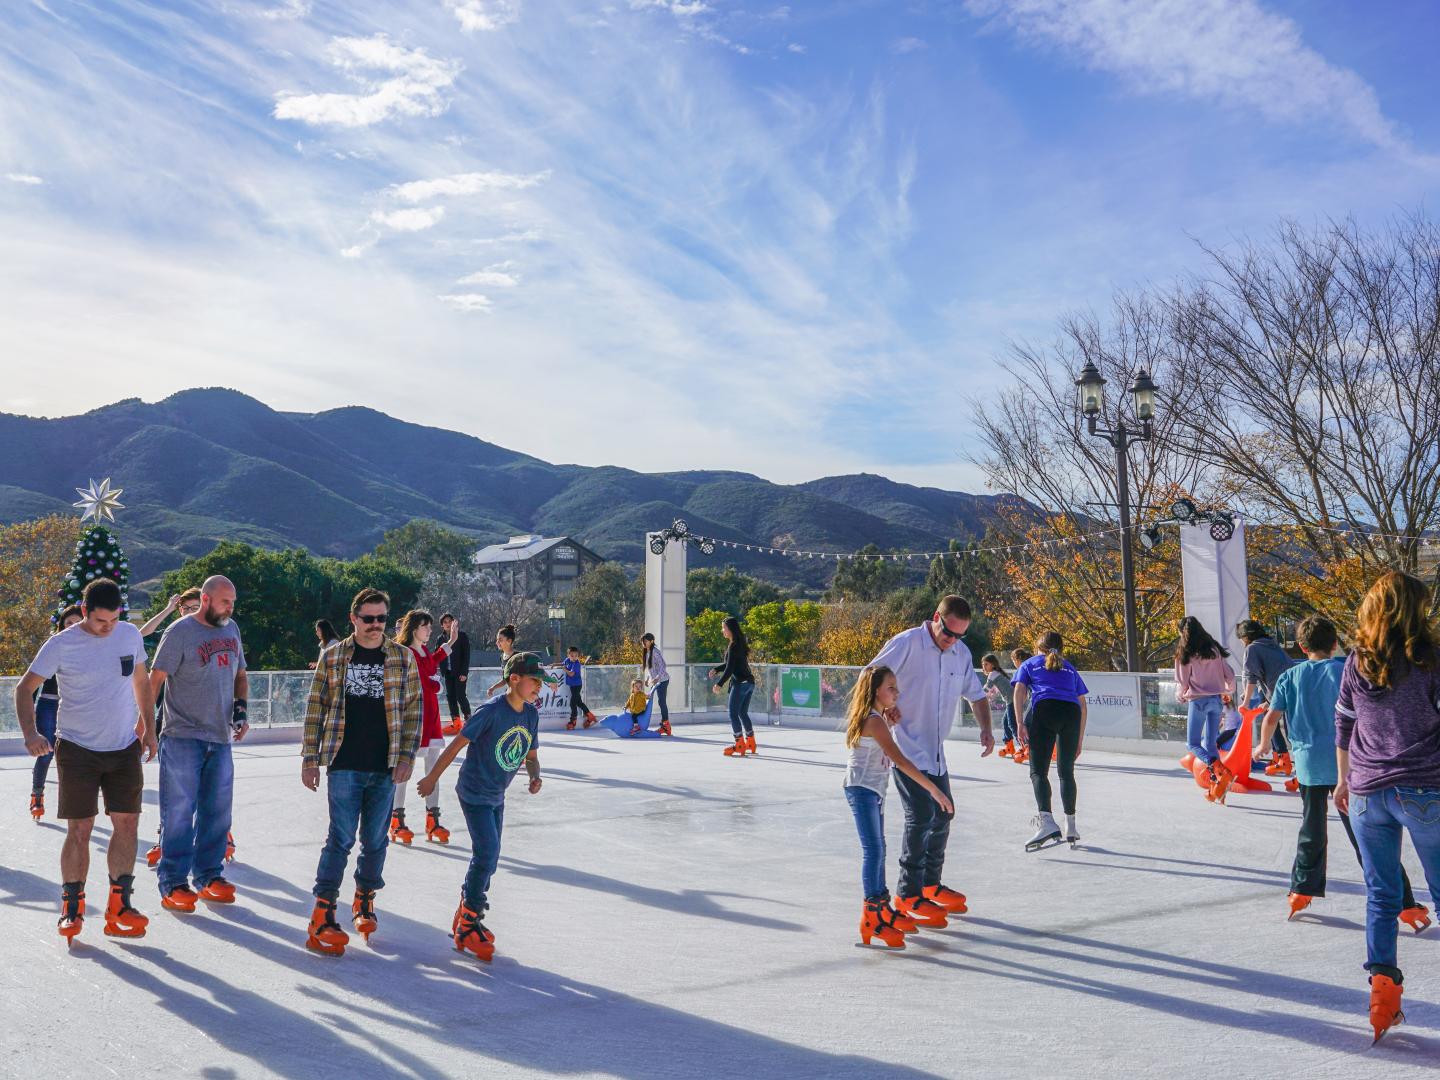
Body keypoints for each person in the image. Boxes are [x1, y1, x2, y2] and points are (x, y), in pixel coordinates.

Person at [1256, 614, 1430, 932]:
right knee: (1369, 839)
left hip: (1309, 766)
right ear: (1335, 643)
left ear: (1300, 646)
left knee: (1311, 830)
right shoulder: (1348, 669)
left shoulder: (1290, 677)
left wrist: (1263, 746)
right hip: (1351, 766)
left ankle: (1301, 888)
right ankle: (1404, 903)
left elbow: (1270, 717)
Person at [13, 578, 158, 943]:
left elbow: (142, 683)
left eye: (112, 620)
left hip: (124, 745)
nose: (105, 627)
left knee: (127, 825)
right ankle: (72, 906)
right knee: (80, 828)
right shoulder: (62, 644)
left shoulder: (129, 635)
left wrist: (150, 729)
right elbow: (24, 688)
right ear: (84, 609)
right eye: (98, 621)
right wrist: (31, 734)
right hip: (77, 747)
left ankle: (119, 905)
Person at [1333, 571, 1440, 1043]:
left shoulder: (1358, 660)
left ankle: (1383, 1000)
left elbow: (1343, 723)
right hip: (1423, 790)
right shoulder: (1431, 659)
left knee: (1381, 896)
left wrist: (1343, 780)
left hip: (1366, 793)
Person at [299, 588, 422, 956]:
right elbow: (316, 707)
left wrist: (407, 757)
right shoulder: (334, 656)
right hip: (343, 763)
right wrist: (309, 758)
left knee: (376, 840)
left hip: (384, 765)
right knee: (339, 838)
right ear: (353, 619)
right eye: (367, 618)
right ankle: (323, 910)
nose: (374, 625)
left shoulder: (402, 658)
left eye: (381, 618)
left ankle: (364, 897)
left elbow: (415, 710)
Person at [417, 652, 553, 962]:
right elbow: (455, 746)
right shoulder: (491, 712)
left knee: (490, 859)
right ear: (514, 679)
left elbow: (531, 756)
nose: (539, 688)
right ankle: (468, 922)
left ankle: (469, 908)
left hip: (497, 794)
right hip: (474, 792)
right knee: (486, 853)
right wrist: (431, 779)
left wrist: (535, 776)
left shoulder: (530, 715)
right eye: (535, 682)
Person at [868, 594, 994, 928]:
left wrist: (987, 730)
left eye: (960, 636)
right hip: (904, 747)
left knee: (944, 813)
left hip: (935, 752)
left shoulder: (961, 654)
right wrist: (883, 708)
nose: (952, 640)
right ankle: (907, 894)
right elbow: (870, 675)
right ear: (935, 618)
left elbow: (977, 695)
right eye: (948, 633)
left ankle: (929, 884)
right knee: (921, 815)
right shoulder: (907, 643)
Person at [147, 576, 249, 913]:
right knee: (178, 812)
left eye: (232, 601)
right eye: (224, 601)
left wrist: (240, 710)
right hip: (181, 735)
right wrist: (146, 724)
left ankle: (208, 875)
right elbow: (156, 679)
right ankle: (173, 881)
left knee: (217, 812)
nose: (230, 607)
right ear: (205, 599)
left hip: (219, 737)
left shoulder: (231, 629)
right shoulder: (179, 632)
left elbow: (240, 674)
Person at [843, 665, 954, 948]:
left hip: (873, 790)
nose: (897, 693)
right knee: (874, 850)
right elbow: (900, 761)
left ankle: (881, 907)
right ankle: (872, 914)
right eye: (891, 687)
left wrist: (890, 722)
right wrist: (934, 791)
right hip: (862, 789)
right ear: (875, 690)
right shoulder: (874, 720)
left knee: (879, 849)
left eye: (896, 687)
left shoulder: (879, 719)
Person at [144, 589, 205, 868]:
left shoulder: (215, 635)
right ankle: (166, 838)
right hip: (172, 723)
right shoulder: (173, 635)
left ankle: (218, 834)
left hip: (207, 725)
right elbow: (155, 684)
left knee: (207, 784)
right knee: (173, 787)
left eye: (196, 606)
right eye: (186, 607)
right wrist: (147, 727)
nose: (191, 612)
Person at [1013, 632, 1088, 851]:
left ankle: (1047, 822)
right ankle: (1071, 826)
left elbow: (1019, 691)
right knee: (1066, 772)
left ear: (1038, 647)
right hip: (1071, 713)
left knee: (1038, 771)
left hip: (1045, 710)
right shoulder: (1069, 667)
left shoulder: (1029, 663)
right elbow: (1082, 704)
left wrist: (1019, 722)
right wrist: (1080, 740)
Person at [389, 609, 458, 845]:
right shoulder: (405, 652)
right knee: (403, 771)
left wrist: (450, 643)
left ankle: (433, 819)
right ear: (413, 628)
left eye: (429, 626)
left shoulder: (424, 650)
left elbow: (432, 661)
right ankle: (396, 820)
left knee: (433, 771)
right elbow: (411, 683)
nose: (430, 630)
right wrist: (432, 685)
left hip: (431, 719)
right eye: (425, 626)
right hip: (412, 720)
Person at [27, 605, 83, 821]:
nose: (73, 626)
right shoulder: (53, 646)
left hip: (77, 705)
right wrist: (30, 713)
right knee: (47, 751)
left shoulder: (92, 648)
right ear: (61, 625)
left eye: (77, 622)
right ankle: (37, 796)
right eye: (69, 623)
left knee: (74, 755)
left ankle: (73, 804)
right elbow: (28, 683)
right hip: (49, 705)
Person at [1174, 616, 1237, 803]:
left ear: (1181, 632)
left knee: (1192, 744)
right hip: (1216, 700)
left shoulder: (1185, 653)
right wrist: (1228, 690)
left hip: (1198, 701)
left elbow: (1182, 682)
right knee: (1211, 744)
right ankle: (1217, 785)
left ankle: (1220, 771)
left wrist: (1182, 696)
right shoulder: (1213, 650)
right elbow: (1230, 675)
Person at [1238, 619, 1297, 769]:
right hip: (1294, 688)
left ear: (1245, 636)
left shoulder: (1252, 648)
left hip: (1280, 692)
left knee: (1274, 723)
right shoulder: (1272, 644)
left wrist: (1245, 703)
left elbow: (1251, 676)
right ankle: (1285, 761)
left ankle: (1288, 764)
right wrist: (1269, 701)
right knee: (1294, 731)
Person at [710, 616, 757, 756]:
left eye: (724, 628)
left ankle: (739, 744)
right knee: (742, 713)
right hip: (749, 683)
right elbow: (731, 664)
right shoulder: (739, 643)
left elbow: (730, 669)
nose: (722, 630)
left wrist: (719, 684)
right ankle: (751, 742)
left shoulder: (733, 645)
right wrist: (717, 669)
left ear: (730, 629)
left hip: (740, 684)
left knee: (732, 713)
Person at [439, 613, 471, 735]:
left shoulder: (462, 636)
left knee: (460, 695)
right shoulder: (440, 639)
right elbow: (438, 655)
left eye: (449, 621)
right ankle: (456, 722)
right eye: (445, 622)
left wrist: (464, 672)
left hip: (459, 673)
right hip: (448, 673)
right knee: (450, 696)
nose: (448, 624)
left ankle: (469, 720)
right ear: (442, 625)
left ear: (454, 623)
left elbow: (466, 655)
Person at [982, 653, 1017, 759]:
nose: (984, 667)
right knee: (1005, 722)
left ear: (992, 664)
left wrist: (974, 696)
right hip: (1011, 700)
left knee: (1012, 724)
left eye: (986, 664)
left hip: (1012, 700)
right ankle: (1009, 746)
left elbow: (986, 688)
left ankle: (1026, 746)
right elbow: (994, 691)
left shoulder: (993, 674)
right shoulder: (997, 673)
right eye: (983, 664)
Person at [641, 632, 672, 736]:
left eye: (646, 641)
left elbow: (663, 665)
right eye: (643, 642)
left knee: (661, 702)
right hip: (657, 680)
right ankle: (665, 725)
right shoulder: (647, 652)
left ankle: (666, 726)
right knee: (658, 702)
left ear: (652, 641)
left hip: (663, 680)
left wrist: (657, 678)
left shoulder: (654, 651)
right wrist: (648, 679)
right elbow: (652, 669)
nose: (644, 643)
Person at [561, 646, 598, 730]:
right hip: (572, 685)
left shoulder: (576, 664)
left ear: (578, 656)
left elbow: (571, 674)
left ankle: (572, 722)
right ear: (568, 655)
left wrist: (564, 669)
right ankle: (590, 716)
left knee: (572, 703)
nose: (574, 657)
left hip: (577, 685)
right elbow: (562, 664)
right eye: (572, 655)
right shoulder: (567, 660)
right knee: (579, 703)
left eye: (576, 655)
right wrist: (553, 665)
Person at [1008, 647, 1032, 764]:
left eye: (1013, 661)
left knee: (1023, 724)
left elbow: (1020, 690)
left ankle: (1027, 749)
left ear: (1017, 660)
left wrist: (1020, 705)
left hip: (1036, 701)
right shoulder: (1031, 664)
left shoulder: (1022, 667)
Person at [485, 624, 519, 697]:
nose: (497, 642)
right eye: (497, 640)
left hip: (521, 695)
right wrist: (492, 688)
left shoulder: (518, 657)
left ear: (509, 641)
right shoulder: (502, 657)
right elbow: (505, 679)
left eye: (500, 640)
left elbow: (536, 669)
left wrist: (550, 682)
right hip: (511, 694)